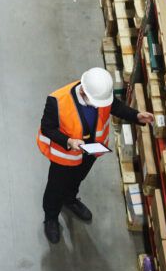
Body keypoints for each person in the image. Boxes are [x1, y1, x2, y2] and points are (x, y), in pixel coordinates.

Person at [37, 67, 154, 244]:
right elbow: (47, 128)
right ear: (83, 91)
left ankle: (70, 200)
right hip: (65, 156)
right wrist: (68, 141)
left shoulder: (100, 95)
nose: (99, 106)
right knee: (55, 187)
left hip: (90, 151)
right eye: (96, 103)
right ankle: (51, 218)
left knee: (77, 179)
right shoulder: (57, 101)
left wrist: (136, 115)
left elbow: (115, 106)